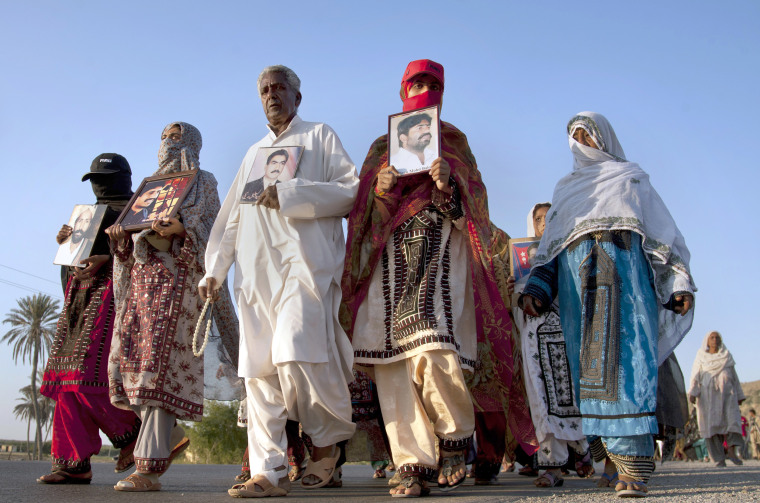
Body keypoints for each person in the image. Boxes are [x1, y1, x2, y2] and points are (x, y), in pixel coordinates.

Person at [341, 59, 535, 497]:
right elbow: (364, 217)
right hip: (388, 262)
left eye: (431, 84)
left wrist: (450, 185)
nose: (423, 90)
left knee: (432, 343)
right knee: (390, 359)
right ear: (402, 91)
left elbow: (476, 202)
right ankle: (412, 463)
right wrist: (382, 190)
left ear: (442, 93)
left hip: (439, 253)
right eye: (416, 84)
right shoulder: (380, 149)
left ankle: (453, 437)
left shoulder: (453, 142)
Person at [200, 64, 359, 498]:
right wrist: (215, 269)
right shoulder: (254, 155)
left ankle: (327, 446)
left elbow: (350, 190)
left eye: (280, 88)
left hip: (303, 268)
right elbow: (231, 218)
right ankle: (268, 471)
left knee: (295, 354)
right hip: (254, 275)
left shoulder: (320, 136)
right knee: (258, 373)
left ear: (297, 97)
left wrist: (292, 193)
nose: (272, 95)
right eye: (265, 90)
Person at [519, 112, 696, 498]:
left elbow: (663, 237)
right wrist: (537, 288)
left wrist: (677, 284)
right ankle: (611, 462)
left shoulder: (632, 179)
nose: (583, 141)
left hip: (627, 293)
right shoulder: (567, 190)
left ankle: (633, 466)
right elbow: (549, 249)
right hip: (577, 297)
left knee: (629, 370)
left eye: (589, 134)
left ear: (606, 138)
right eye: (576, 136)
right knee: (591, 375)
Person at [107, 122, 238, 492]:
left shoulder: (203, 182)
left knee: (156, 373)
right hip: (141, 291)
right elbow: (130, 251)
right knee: (125, 368)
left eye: (177, 136)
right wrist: (120, 241)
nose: (169, 142)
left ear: (193, 142)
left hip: (179, 288)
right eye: (165, 136)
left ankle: (147, 469)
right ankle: (171, 433)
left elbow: (212, 232)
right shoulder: (147, 190)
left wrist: (181, 231)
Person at [37, 153, 141, 485]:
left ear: (122, 178)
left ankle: (136, 433)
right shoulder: (86, 215)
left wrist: (108, 258)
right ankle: (72, 462)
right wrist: (68, 245)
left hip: (112, 300)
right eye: (93, 178)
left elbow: (150, 254)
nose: (98, 184)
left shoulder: (140, 209)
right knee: (63, 379)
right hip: (78, 304)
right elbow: (72, 268)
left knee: (87, 374)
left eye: (104, 178)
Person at [513, 203, 593, 489]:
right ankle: (551, 467)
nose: (544, 222)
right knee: (540, 398)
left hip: (564, 333)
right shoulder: (521, 258)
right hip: (534, 339)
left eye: (549, 217)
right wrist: (517, 286)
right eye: (538, 218)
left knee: (568, 395)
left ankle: (582, 448)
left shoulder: (567, 251)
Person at [688, 331, 745, 467]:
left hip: (728, 395)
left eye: (717, 337)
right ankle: (719, 458)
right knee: (712, 427)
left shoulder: (726, 356)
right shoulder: (701, 356)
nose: (715, 340)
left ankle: (732, 452)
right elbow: (695, 375)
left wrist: (740, 394)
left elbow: (734, 376)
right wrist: (693, 392)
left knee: (732, 422)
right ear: (707, 341)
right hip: (708, 398)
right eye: (712, 337)